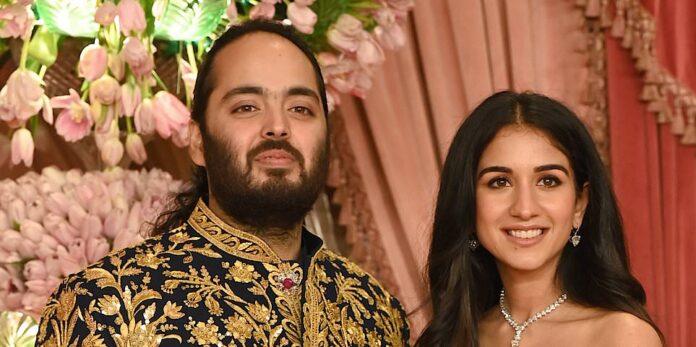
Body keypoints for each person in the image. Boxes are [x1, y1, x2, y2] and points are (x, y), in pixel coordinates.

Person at [35, 20, 409, 346]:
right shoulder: (103, 306)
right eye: (246, 106)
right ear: (198, 141)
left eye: (301, 109)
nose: (278, 126)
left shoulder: (374, 311)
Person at [415, 91, 663, 347]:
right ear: (467, 202)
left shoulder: (622, 336)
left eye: (548, 181)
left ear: (580, 204)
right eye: (500, 182)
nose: (524, 209)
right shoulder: (449, 339)